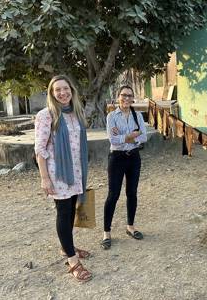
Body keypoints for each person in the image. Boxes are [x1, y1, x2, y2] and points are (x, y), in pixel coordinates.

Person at [34, 75, 92, 282]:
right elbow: (40, 149)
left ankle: (65, 247)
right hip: (58, 173)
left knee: (71, 211)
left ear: (72, 90)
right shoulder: (46, 115)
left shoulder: (76, 112)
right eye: (57, 90)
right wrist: (44, 178)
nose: (62, 93)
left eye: (65, 88)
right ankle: (73, 260)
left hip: (76, 172)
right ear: (51, 93)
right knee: (63, 212)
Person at [101, 85, 147, 249]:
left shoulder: (138, 116)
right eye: (123, 95)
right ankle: (106, 232)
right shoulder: (111, 116)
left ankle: (130, 226)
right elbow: (112, 140)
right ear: (117, 96)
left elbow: (144, 137)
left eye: (129, 96)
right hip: (117, 158)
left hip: (134, 157)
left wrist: (126, 137)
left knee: (132, 193)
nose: (126, 98)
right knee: (113, 195)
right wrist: (131, 135)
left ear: (133, 98)